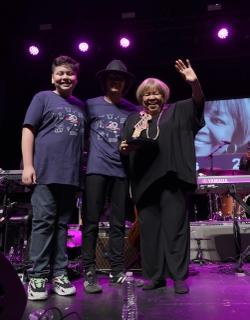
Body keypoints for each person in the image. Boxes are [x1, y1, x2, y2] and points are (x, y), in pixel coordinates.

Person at [120, 59, 205, 294]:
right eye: (147, 94)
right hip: (145, 183)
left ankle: (178, 277)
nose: (151, 98)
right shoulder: (132, 120)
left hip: (171, 180)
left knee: (175, 229)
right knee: (150, 233)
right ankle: (155, 276)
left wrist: (194, 82)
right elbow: (125, 145)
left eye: (156, 94)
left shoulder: (178, 111)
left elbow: (198, 103)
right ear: (141, 98)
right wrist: (125, 149)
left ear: (163, 96)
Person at [21, 55, 86, 300]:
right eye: (60, 73)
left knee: (61, 227)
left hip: (69, 176)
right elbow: (28, 130)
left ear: (76, 78)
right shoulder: (42, 98)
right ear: (52, 77)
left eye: (69, 74)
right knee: (43, 224)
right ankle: (37, 277)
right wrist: (28, 165)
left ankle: (59, 273)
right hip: (45, 172)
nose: (65, 77)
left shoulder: (79, 106)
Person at [82, 59, 139, 294]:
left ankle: (117, 271)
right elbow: (79, 135)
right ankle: (89, 271)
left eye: (120, 78)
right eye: (111, 77)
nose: (116, 80)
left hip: (120, 172)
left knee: (118, 224)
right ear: (105, 81)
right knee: (91, 222)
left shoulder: (132, 110)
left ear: (125, 83)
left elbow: (137, 142)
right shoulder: (90, 105)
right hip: (96, 169)